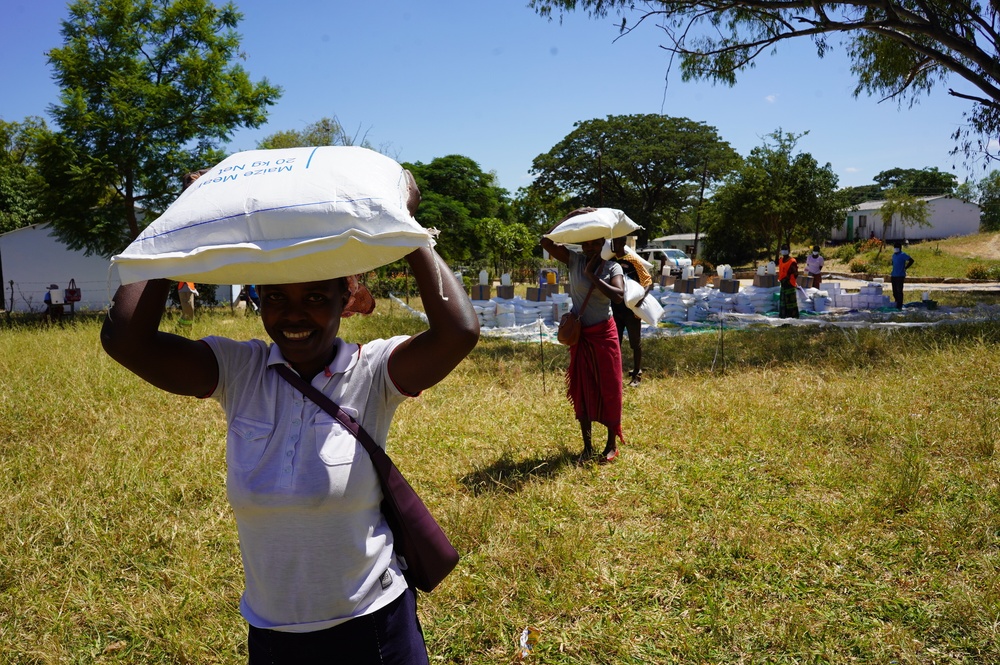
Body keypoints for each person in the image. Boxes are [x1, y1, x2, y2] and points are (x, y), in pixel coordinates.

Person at [101, 171, 480, 664]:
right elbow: (127, 340)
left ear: (346, 301)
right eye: (276, 297)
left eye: (316, 299)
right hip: (273, 633)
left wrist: (402, 223)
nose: (293, 315)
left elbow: (458, 332)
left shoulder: (371, 372)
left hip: (374, 626)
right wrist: (183, 217)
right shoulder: (241, 371)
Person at [540, 209, 626, 464]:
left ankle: (611, 444)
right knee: (583, 389)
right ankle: (587, 447)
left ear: (603, 243)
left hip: (604, 334)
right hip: (581, 336)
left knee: (610, 388)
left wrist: (592, 276)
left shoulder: (612, 266)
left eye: (595, 242)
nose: (590, 247)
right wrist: (571, 215)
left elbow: (619, 295)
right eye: (586, 242)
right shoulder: (574, 260)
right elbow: (546, 242)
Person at [610, 236, 652, 387]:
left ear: (623, 243)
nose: (614, 245)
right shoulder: (610, 261)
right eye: (612, 242)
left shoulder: (632, 261)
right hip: (615, 310)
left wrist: (640, 299)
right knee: (615, 343)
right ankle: (615, 374)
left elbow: (647, 281)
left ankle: (637, 372)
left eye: (617, 242)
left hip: (631, 310)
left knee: (635, 342)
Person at [777, 243, 799, 319]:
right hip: (783, 284)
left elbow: (796, 273)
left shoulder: (792, 261)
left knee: (791, 303)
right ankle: (783, 316)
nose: (784, 251)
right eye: (783, 249)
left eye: (785, 249)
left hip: (789, 284)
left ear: (788, 251)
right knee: (783, 303)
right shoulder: (780, 260)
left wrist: (788, 278)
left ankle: (792, 316)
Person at [890, 241, 915, 309]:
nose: (895, 249)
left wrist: (905, 268)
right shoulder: (894, 255)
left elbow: (911, 260)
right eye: (895, 247)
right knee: (894, 292)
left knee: (899, 291)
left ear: (900, 248)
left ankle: (899, 305)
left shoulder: (903, 254)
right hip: (893, 275)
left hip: (900, 275)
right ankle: (896, 302)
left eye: (896, 247)